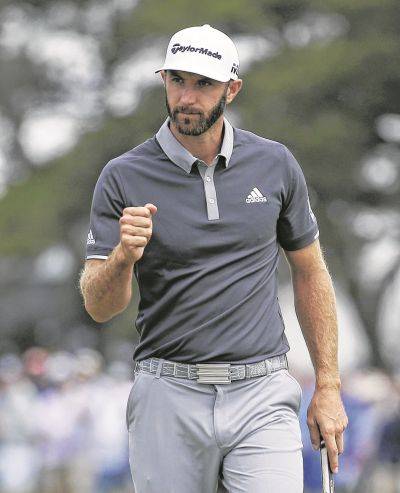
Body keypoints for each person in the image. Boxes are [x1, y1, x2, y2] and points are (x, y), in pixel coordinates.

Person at [79, 24, 348, 493]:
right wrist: (123, 256)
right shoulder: (122, 175)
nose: (187, 96)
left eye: (203, 84)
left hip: (262, 392)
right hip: (168, 393)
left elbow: (310, 272)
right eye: (177, 80)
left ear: (232, 88)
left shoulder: (275, 163)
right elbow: (100, 306)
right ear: (162, 79)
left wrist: (328, 385)